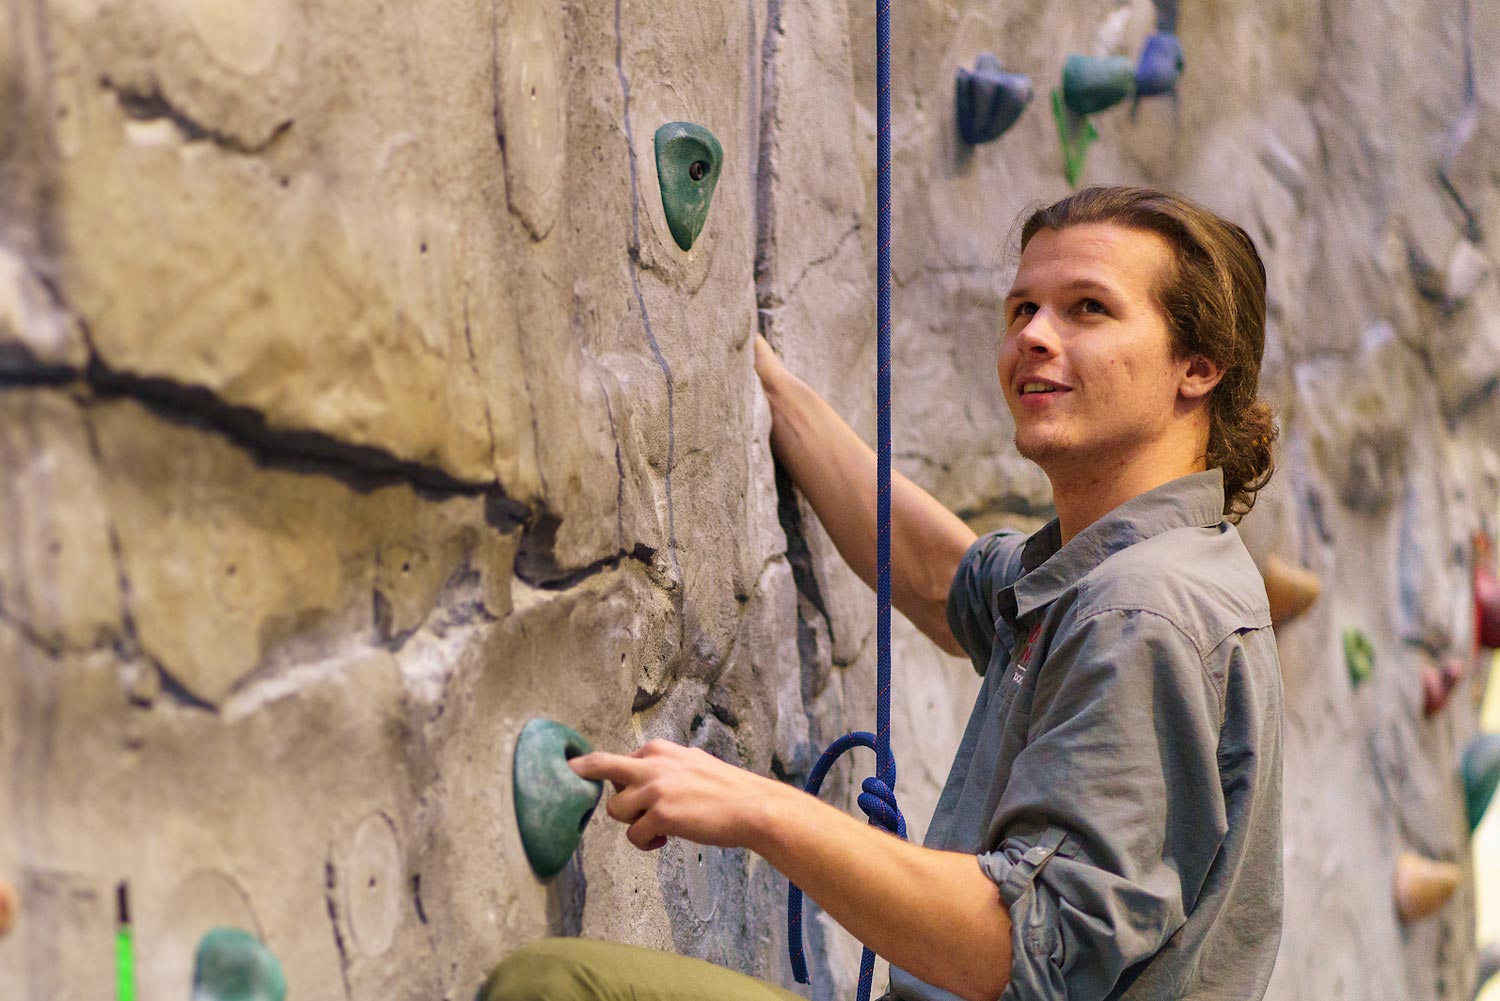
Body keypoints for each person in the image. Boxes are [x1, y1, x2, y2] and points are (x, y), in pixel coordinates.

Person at [487, 186, 1284, 1001]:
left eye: (1088, 308)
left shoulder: (1142, 610)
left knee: (554, 987)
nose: (1034, 337)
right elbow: (940, 575)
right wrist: (760, 377)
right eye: (1021, 309)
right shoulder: (1125, 566)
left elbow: (1025, 951)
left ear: (1198, 365)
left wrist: (759, 809)